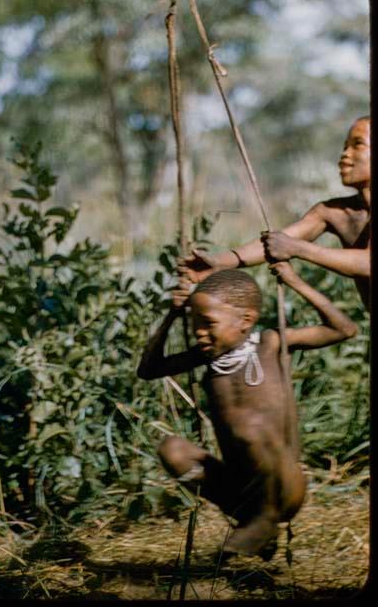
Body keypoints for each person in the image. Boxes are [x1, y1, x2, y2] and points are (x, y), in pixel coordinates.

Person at [137, 262, 357, 559]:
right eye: (194, 325)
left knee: (250, 428)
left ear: (246, 320)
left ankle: (265, 520)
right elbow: (149, 370)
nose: (199, 333)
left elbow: (343, 329)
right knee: (172, 450)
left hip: (283, 487)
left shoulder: (269, 343)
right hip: (241, 490)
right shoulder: (206, 357)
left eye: (209, 323)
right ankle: (252, 521)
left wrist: (294, 281)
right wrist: (172, 315)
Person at [179, 116, 370, 310]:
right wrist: (219, 263)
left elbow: (368, 263)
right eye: (345, 146)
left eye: (358, 145)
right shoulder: (333, 211)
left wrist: (299, 249)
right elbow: (278, 242)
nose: (345, 154)